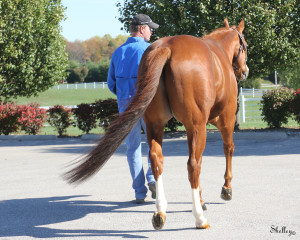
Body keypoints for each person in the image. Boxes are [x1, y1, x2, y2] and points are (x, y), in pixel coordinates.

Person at [107, 14, 159, 203]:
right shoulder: (150, 50)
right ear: (142, 28)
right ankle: (152, 178)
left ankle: (139, 192)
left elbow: (110, 83)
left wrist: (124, 97)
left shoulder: (118, 52)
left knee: (133, 149)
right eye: (150, 28)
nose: (151, 32)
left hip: (125, 106)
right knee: (155, 143)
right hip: (147, 105)